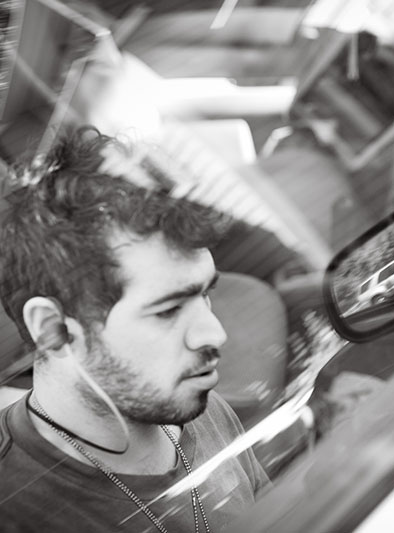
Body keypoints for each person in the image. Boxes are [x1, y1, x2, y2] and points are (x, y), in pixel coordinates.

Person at [0, 128, 270, 532]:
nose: (213, 334)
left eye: (206, 293)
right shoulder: (14, 507)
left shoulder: (205, 408)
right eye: (167, 311)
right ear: (53, 328)